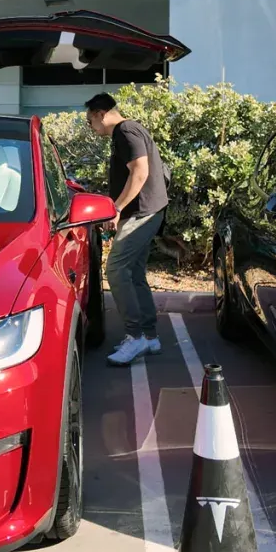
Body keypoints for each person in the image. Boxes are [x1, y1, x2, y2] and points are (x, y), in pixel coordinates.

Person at [84, 93, 169, 366]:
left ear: (100, 113)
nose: (91, 128)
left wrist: (117, 208)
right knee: (133, 272)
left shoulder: (126, 131)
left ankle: (135, 337)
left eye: (89, 122)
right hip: (148, 210)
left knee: (116, 269)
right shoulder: (128, 130)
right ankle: (150, 336)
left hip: (143, 213)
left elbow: (140, 172)